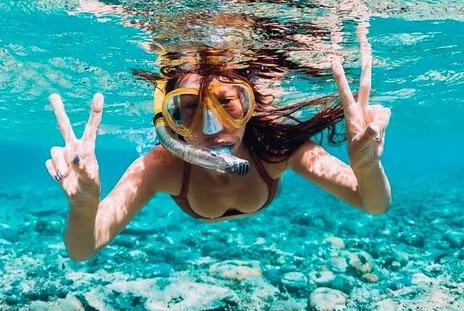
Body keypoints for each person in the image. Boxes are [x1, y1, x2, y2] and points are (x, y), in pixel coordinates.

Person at [45, 22, 391, 262]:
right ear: (171, 119)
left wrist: (367, 167)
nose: (211, 127)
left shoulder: (275, 150)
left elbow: (373, 203)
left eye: (227, 102)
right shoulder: (162, 166)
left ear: (249, 105)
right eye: (190, 107)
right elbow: (82, 249)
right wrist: (84, 206)